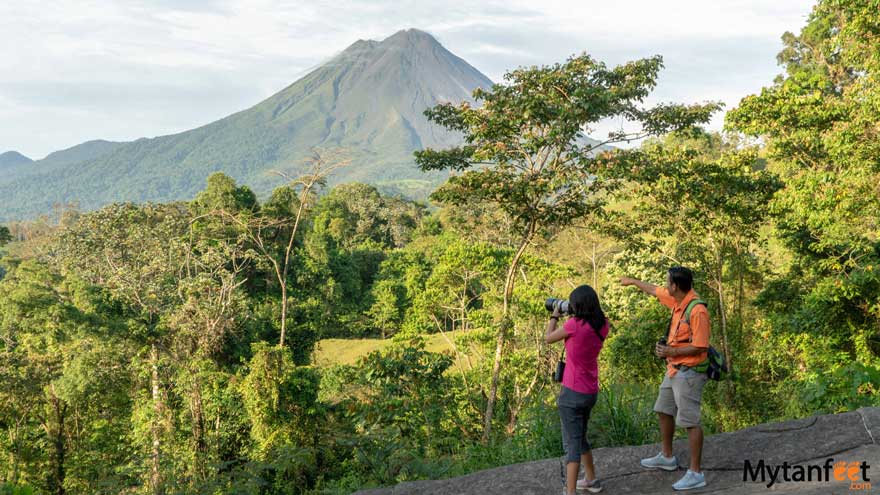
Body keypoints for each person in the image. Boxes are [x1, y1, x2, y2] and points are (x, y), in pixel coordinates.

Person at [620, 266, 710, 491]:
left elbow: (701, 345)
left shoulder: (697, 310)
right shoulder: (678, 301)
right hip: (673, 370)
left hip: (689, 372)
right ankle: (667, 456)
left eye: (668, 281)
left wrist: (671, 352)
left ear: (675, 286)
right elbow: (654, 290)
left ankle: (695, 473)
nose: (665, 285)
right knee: (663, 408)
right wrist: (633, 281)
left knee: (690, 421)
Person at [545, 285, 608, 495]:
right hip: (590, 391)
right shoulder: (602, 324)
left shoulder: (574, 324)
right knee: (580, 437)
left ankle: (570, 491)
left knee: (571, 443)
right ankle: (591, 480)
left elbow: (548, 337)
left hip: (572, 392)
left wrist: (555, 315)